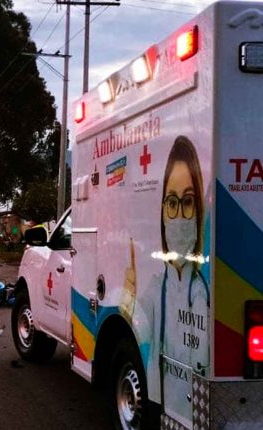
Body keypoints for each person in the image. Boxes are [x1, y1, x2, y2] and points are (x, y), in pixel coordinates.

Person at [128, 136, 209, 422]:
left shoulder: (201, 294)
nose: (178, 216)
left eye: (188, 202)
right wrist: (129, 290)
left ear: (198, 209)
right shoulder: (155, 288)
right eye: (171, 202)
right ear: (162, 211)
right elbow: (137, 321)